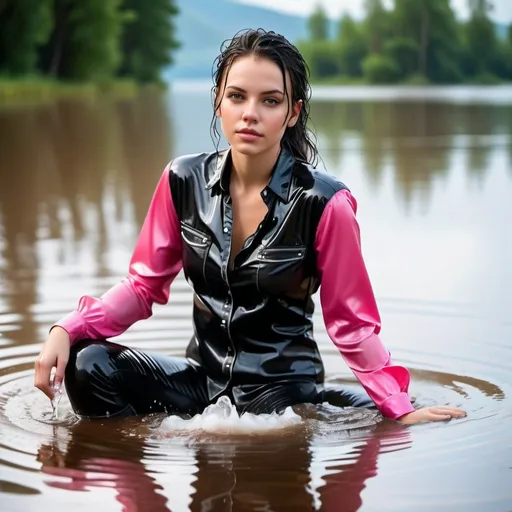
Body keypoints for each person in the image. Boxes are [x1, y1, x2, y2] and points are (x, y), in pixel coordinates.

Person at [34, 29, 466, 425]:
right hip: (201, 383)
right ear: (218, 103)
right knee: (88, 365)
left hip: (282, 393)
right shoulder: (182, 181)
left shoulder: (325, 204)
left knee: (382, 422)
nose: (250, 114)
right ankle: (133, 454)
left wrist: (398, 408)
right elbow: (142, 286)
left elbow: (352, 325)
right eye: (237, 96)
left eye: (270, 100)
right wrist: (67, 328)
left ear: (293, 113)